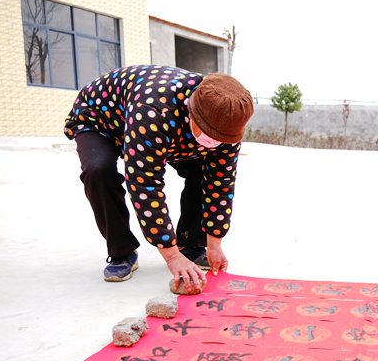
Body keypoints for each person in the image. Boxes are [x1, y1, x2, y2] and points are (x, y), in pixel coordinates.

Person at [64, 65, 254, 291]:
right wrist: (171, 255)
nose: (213, 142)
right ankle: (121, 251)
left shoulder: (228, 121)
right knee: (98, 170)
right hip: (102, 118)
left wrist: (215, 241)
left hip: (165, 128)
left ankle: (191, 242)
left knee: (202, 171)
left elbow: (220, 183)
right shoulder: (154, 109)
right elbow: (145, 183)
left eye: (220, 139)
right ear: (191, 112)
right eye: (208, 135)